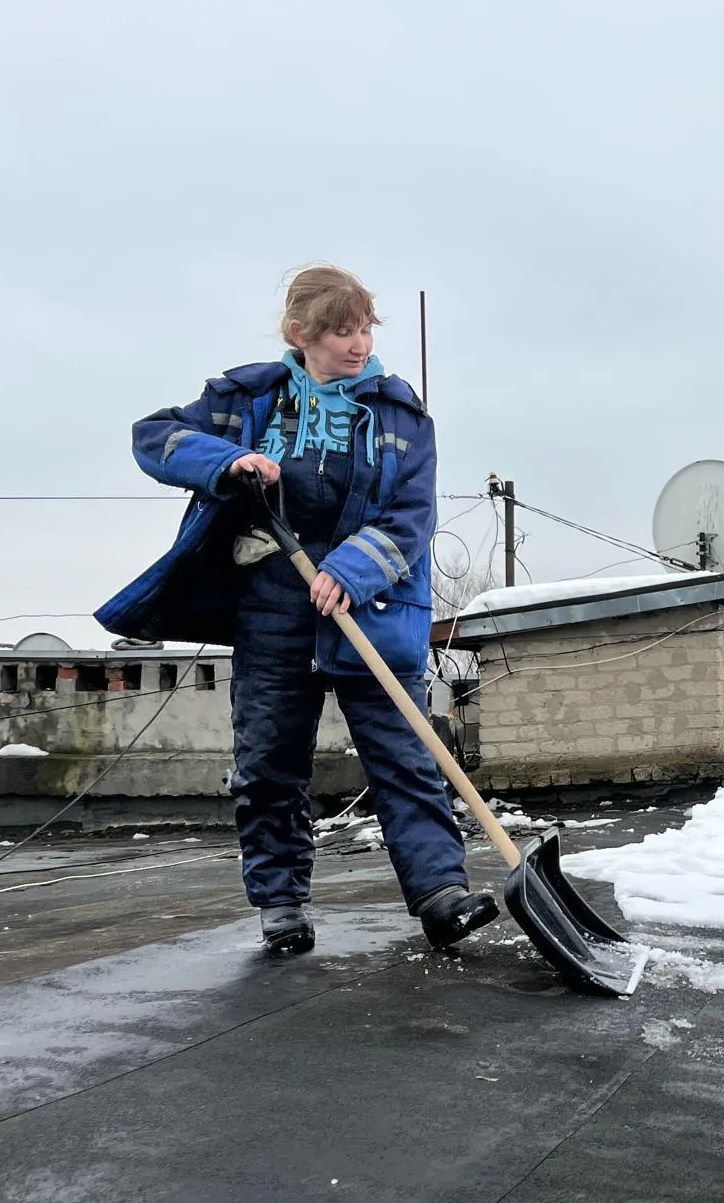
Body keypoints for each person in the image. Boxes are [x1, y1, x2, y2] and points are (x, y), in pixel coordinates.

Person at [97, 265, 498, 956]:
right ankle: (281, 903)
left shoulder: (402, 417)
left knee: (406, 753)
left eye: (366, 327)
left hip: (373, 600)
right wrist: (229, 462)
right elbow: (153, 437)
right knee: (270, 762)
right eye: (342, 330)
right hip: (273, 603)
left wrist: (352, 567)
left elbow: (412, 515)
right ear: (299, 334)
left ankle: (440, 895)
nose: (359, 343)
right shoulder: (247, 399)